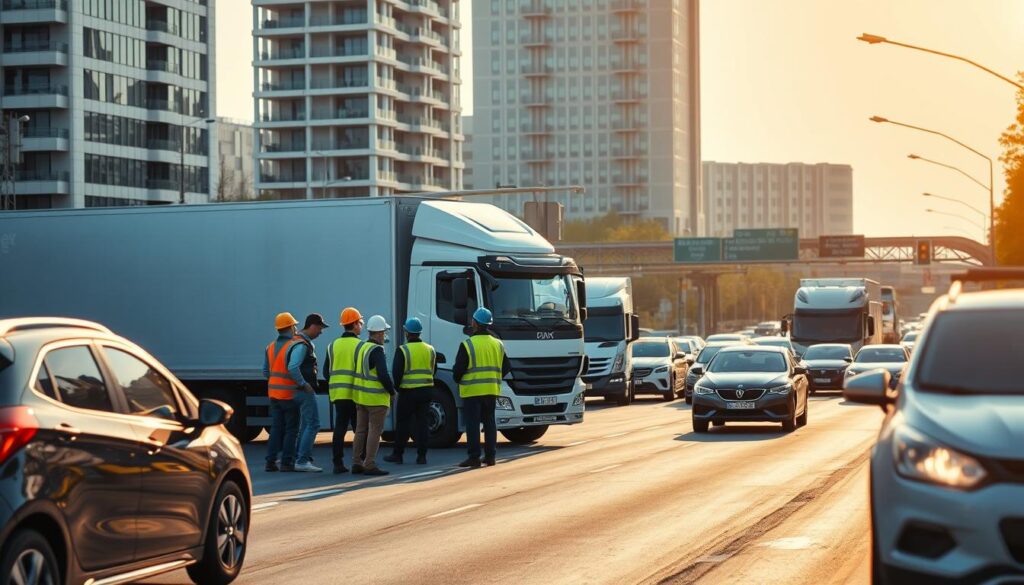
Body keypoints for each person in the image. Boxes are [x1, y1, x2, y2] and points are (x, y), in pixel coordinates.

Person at [453, 308, 511, 468]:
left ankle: (474, 457)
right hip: (491, 389)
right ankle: (491, 456)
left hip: (472, 391)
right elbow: (507, 366)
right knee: (490, 423)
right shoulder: (498, 344)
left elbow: (458, 370)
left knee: (472, 424)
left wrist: (459, 379)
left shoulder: (468, 344)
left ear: (475, 323)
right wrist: (494, 377)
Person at [263, 312, 314, 472]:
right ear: (291, 327)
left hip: (273, 394)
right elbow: (293, 368)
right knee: (292, 429)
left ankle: (270, 462)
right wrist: (302, 383)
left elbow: (265, 372)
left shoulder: (270, 347)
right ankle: (287, 462)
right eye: (295, 325)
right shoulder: (293, 345)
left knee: (276, 427)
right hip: (289, 394)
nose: (296, 328)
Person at [384, 318, 436, 465]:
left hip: (408, 392)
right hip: (426, 391)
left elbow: (396, 373)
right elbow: (433, 369)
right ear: (419, 332)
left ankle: (398, 454)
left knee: (403, 424)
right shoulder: (430, 349)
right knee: (422, 423)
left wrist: (398, 389)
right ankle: (422, 456)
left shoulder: (403, 350)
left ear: (407, 333)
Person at [350, 314, 396, 476]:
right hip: (376, 399)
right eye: (384, 332)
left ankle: (356, 462)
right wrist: (392, 391)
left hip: (361, 397)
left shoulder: (361, 347)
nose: (385, 335)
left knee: (361, 430)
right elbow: (383, 375)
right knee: (375, 431)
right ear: (379, 333)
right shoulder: (377, 350)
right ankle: (369, 464)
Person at [324, 307, 364, 474]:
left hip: (338, 394)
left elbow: (326, 372)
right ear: (354, 324)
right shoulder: (361, 346)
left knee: (340, 428)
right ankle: (359, 461)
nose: (361, 325)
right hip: (356, 394)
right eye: (360, 322)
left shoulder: (332, 345)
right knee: (359, 429)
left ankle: (338, 463)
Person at [292, 313, 328, 473]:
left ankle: (298, 457)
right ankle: (302, 460)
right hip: (303, 390)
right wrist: (304, 384)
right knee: (313, 424)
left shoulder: (298, 341)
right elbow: (293, 366)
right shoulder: (302, 345)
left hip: (298, 390)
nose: (320, 332)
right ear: (312, 326)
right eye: (319, 329)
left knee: (305, 424)